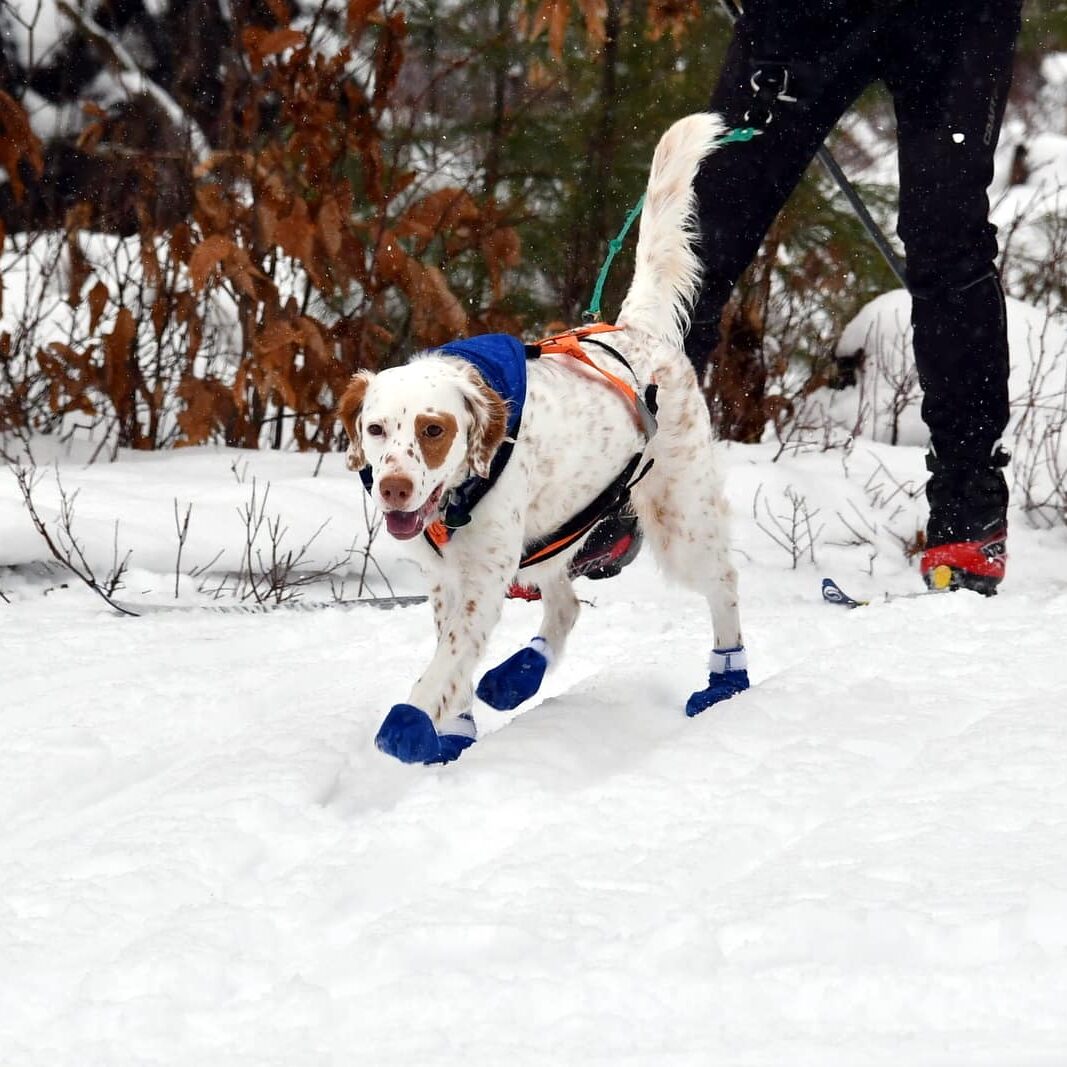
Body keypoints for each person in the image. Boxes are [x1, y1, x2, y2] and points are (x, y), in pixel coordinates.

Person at [682, 0, 1022, 594]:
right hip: (804, 16)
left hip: (959, 18)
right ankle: (616, 479)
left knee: (949, 235)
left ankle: (969, 501)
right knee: (702, 232)